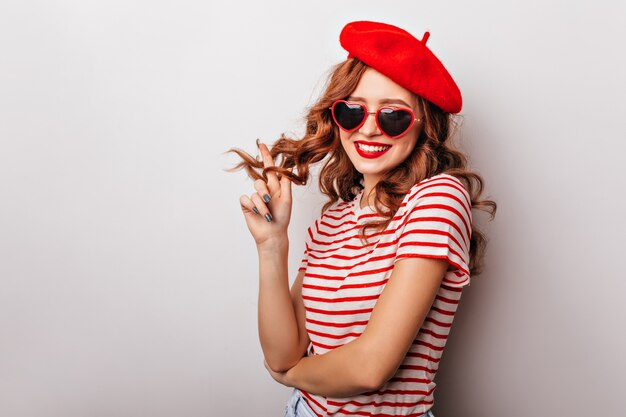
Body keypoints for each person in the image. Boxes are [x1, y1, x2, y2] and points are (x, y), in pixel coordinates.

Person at [227, 20, 497, 417]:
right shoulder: (333, 220)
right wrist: (272, 245)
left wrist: (288, 374)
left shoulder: (438, 198)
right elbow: (283, 350)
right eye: (353, 111)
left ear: (424, 126)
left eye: (393, 116)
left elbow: (370, 368)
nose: (369, 127)